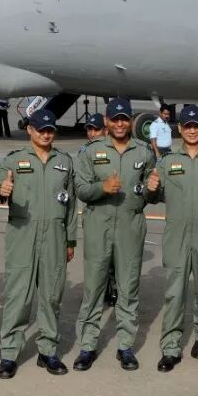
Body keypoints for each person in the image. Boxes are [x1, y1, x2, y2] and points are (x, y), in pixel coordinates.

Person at [0, 111, 76, 379]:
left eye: (50, 130)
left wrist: (70, 239)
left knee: (51, 296)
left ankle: (47, 350)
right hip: (22, 235)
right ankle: (9, 353)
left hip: (55, 236)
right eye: (41, 130)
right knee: (18, 296)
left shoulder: (64, 162)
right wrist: (1, 190)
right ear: (30, 130)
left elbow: (71, 203)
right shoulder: (14, 160)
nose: (46, 134)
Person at [73, 98, 156, 372]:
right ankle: (87, 345)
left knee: (128, 288)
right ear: (106, 122)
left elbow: (149, 192)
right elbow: (81, 189)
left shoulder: (144, 151)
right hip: (99, 226)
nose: (120, 124)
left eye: (124, 119)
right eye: (115, 119)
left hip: (130, 227)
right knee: (94, 287)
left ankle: (125, 345)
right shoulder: (91, 151)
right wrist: (102, 188)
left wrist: (153, 188)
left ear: (130, 121)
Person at [146, 105, 198, 375]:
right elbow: (153, 196)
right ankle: (170, 348)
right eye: (187, 126)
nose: (192, 130)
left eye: (196, 126)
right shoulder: (167, 162)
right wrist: (150, 188)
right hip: (177, 238)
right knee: (174, 295)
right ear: (179, 129)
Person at [82, 112, 118, 307]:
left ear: (105, 131)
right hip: (95, 211)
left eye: (96, 129)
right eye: (89, 129)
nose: (92, 133)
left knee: (113, 258)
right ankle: (98, 290)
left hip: (114, 209)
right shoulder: (86, 152)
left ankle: (113, 288)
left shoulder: (113, 152)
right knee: (96, 257)